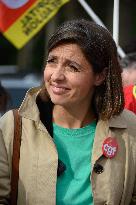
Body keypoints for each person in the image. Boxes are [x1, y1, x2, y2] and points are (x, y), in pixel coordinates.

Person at [0, 19, 136, 205]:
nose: (56, 76)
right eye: (52, 61)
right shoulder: (13, 126)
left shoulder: (130, 129)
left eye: (72, 67)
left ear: (100, 76)